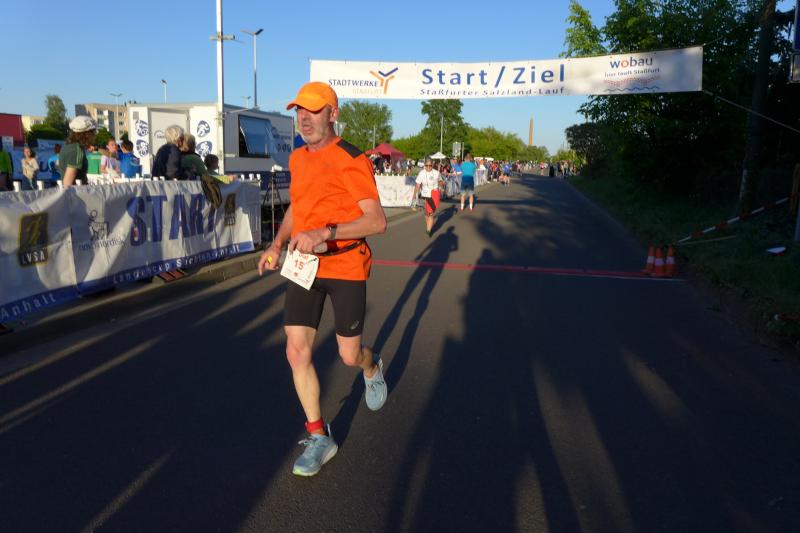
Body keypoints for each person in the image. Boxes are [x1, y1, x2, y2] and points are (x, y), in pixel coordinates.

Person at [257, 81, 387, 477]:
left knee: (349, 355)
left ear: (333, 113)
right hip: (304, 265)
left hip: (345, 264)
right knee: (296, 351)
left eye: (314, 110)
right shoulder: (298, 158)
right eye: (300, 110)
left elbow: (376, 221)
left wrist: (325, 233)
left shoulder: (352, 158)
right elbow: (298, 207)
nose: (304, 118)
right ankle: (319, 435)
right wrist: (277, 243)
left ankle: (371, 367)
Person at [59, 116, 97, 187]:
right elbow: (67, 183)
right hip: (77, 192)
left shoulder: (68, 146)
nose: (95, 135)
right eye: (93, 133)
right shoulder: (77, 150)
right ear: (87, 134)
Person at [412, 158, 443, 237]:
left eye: (430, 165)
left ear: (432, 165)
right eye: (427, 165)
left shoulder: (436, 173)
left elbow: (440, 181)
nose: (428, 167)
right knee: (426, 212)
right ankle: (428, 226)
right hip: (425, 194)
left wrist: (442, 187)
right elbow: (417, 185)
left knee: (431, 213)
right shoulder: (421, 173)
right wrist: (414, 196)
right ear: (424, 165)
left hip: (434, 194)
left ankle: (428, 230)